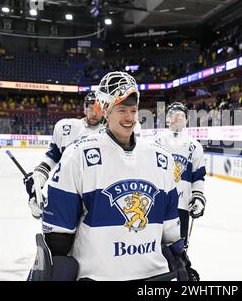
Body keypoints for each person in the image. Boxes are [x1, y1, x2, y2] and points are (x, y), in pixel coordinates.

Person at [35, 72, 195, 281]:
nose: (129, 117)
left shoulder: (161, 158)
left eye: (133, 110)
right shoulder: (78, 155)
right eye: (121, 110)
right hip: (98, 277)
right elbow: (58, 239)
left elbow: (170, 230)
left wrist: (181, 259)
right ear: (106, 111)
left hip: (155, 277)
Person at [23, 91, 104, 218]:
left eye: (98, 109)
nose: (94, 113)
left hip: (97, 194)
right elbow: (53, 156)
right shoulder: (66, 127)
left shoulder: (111, 132)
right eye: (90, 107)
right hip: (65, 191)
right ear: (84, 108)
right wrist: (40, 174)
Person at [152, 102, 206, 247]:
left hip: (182, 205)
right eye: (175, 114)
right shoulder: (154, 142)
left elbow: (198, 176)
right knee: (155, 246)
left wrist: (198, 196)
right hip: (157, 203)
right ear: (167, 118)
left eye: (182, 115)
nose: (179, 118)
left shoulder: (195, 146)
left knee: (179, 247)